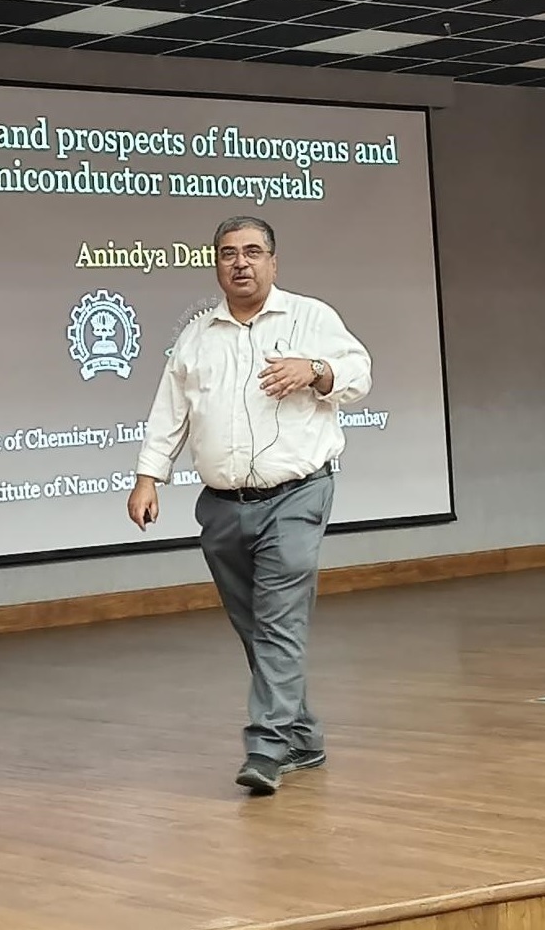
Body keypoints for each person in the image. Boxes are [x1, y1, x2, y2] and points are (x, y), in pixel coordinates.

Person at [128, 214, 372, 795]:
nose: (241, 263)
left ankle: (266, 748)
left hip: (297, 495)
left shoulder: (311, 317)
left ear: (273, 262)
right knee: (256, 626)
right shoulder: (196, 337)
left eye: (253, 252)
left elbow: (359, 374)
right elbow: (169, 415)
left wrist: (315, 370)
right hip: (221, 507)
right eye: (229, 253)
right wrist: (147, 477)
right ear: (216, 264)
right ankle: (304, 738)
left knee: (279, 619)